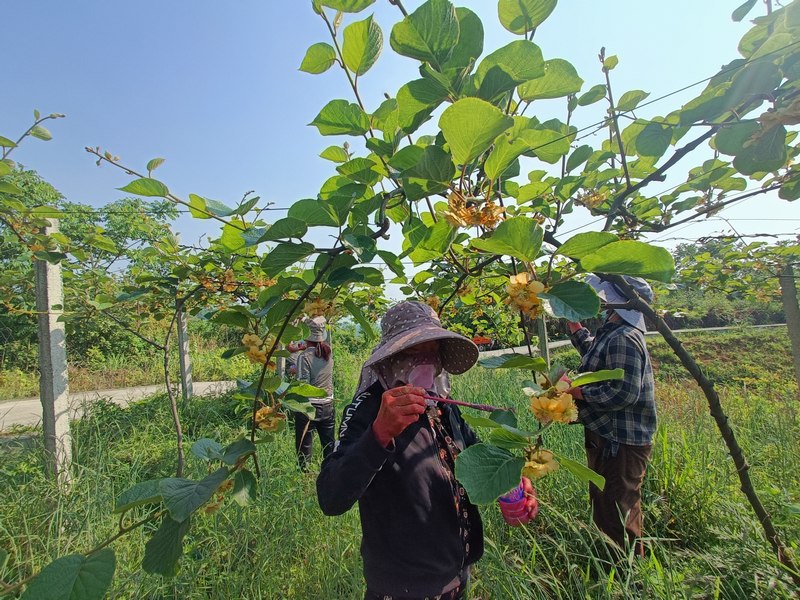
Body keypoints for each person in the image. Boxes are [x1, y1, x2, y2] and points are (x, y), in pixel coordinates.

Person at [316, 301, 537, 600]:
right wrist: (380, 433)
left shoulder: (443, 406)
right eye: (413, 352)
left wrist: (507, 482)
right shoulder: (368, 408)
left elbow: (474, 455)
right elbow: (331, 496)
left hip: (456, 575)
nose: (425, 362)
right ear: (391, 357)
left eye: (433, 351)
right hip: (403, 586)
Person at [566, 275, 657, 558]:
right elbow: (595, 354)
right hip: (608, 435)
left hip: (620, 440)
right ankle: (616, 560)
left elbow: (623, 393)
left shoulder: (625, 338)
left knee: (617, 506)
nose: (600, 303)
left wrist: (578, 393)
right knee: (606, 501)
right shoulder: (612, 332)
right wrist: (574, 326)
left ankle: (624, 571)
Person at [293, 317, 334, 471]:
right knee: (329, 444)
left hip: (308, 406)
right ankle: (332, 473)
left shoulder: (304, 357)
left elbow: (303, 384)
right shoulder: (328, 354)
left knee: (304, 445)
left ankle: (303, 475)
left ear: (306, 334)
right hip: (328, 404)